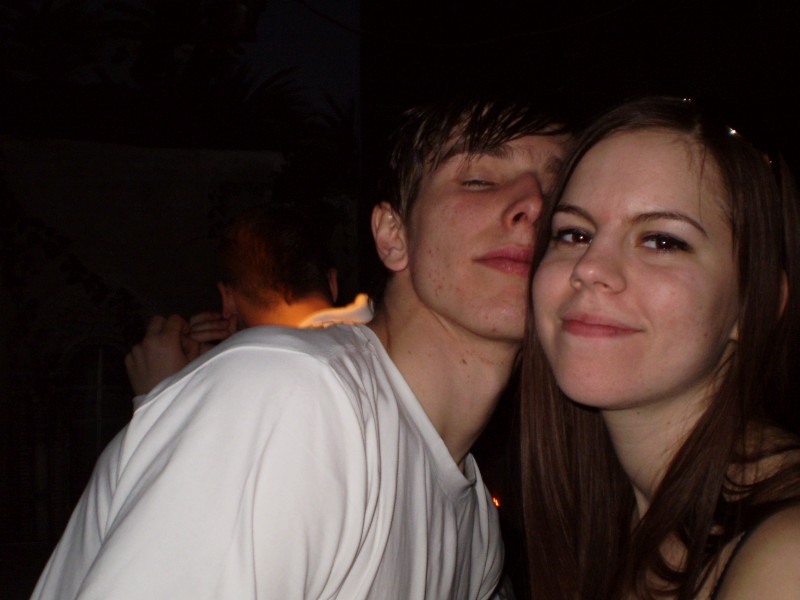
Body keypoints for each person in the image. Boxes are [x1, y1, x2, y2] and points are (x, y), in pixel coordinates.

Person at [31, 96, 569, 599]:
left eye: (561, 197)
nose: (534, 205)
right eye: (478, 180)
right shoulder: (293, 394)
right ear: (393, 234)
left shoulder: (476, 528)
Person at [520, 96, 800, 599]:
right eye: (574, 233)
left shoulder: (787, 556)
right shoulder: (613, 521)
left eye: (662, 242)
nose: (589, 267)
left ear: (753, 305)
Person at [124, 204, 373, 399]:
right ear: (332, 283)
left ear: (228, 299)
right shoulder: (375, 357)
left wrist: (160, 392)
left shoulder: (255, 389)